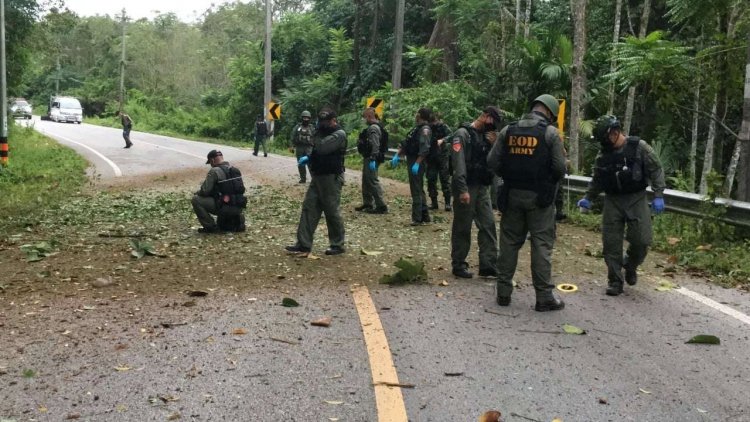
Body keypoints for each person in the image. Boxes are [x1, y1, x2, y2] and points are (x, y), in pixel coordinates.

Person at [487, 94, 567, 311]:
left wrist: (509, 175)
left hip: (512, 195)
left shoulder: (508, 130)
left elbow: (492, 161)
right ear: (549, 112)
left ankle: (503, 293)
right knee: (541, 244)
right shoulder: (550, 133)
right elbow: (560, 168)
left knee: (509, 243)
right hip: (539, 198)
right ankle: (544, 297)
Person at [576, 115, 666, 296]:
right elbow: (597, 179)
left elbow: (656, 169)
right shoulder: (603, 155)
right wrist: (588, 197)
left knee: (642, 240)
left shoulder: (639, 148)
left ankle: (630, 265)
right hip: (613, 200)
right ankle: (615, 281)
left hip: (636, 198)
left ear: (615, 133)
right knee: (611, 243)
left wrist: (658, 195)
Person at [285, 108, 348, 255]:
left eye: (326, 122)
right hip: (318, 176)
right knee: (309, 208)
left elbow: (322, 148)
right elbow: (315, 152)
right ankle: (303, 243)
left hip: (331, 177)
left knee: (331, 210)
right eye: (321, 121)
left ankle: (337, 244)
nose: (323, 124)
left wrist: (316, 133)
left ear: (333, 120)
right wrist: (309, 157)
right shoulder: (320, 132)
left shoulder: (339, 134)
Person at [449, 107, 501, 279]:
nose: (492, 126)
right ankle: (459, 263)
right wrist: (462, 190)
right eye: (492, 121)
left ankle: (488, 264)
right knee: (462, 226)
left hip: (482, 187)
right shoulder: (462, 134)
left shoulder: (487, 137)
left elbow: (494, 162)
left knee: (488, 225)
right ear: (485, 116)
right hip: (466, 186)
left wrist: (495, 144)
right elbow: (458, 164)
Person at [392, 108, 432, 225]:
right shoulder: (416, 128)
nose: (415, 115)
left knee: (416, 190)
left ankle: (417, 218)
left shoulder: (425, 129)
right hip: (412, 159)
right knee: (418, 188)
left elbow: (425, 149)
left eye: (417, 114)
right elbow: (407, 143)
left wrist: (417, 163)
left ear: (420, 115)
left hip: (417, 160)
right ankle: (424, 216)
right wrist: (397, 155)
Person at [192, 150, 247, 233]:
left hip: (223, 207)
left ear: (212, 161)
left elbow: (205, 191)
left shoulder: (214, 171)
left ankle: (210, 227)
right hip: (238, 207)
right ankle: (238, 219)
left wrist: (197, 193)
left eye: (210, 163)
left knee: (196, 200)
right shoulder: (235, 170)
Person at [355, 107, 388, 214]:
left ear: (369, 116)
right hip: (368, 157)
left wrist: (373, 158)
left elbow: (375, 144)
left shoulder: (373, 128)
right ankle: (367, 203)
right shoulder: (373, 127)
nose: (364, 119)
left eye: (365, 117)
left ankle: (381, 205)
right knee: (366, 180)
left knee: (372, 180)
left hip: (371, 158)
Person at [427, 113, 453, 212]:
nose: (434, 124)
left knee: (445, 179)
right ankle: (434, 202)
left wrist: (443, 140)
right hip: (431, 157)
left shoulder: (443, 127)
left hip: (442, 156)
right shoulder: (428, 128)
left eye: (435, 122)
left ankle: (447, 203)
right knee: (431, 179)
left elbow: (451, 135)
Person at [292, 110, 315, 183]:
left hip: (309, 148)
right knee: (301, 164)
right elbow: (293, 136)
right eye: (304, 118)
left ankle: (314, 179)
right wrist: (292, 146)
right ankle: (303, 178)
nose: (306, 119)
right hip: (299, 147)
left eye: (307, 118)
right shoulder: (297, 127)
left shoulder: (311, 127)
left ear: (309, 118)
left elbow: (315, 137)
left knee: (310, 164)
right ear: (302, 118)